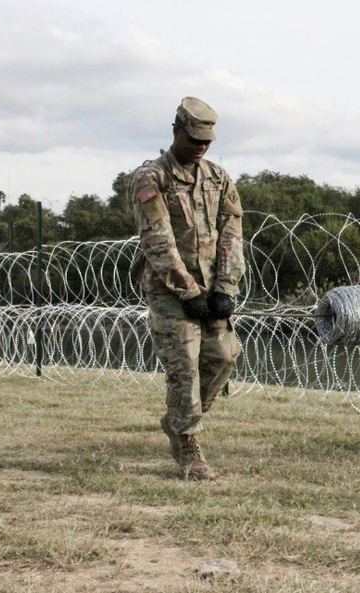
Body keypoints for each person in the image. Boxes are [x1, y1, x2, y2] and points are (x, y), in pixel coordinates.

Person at [126, 96, 245, 480]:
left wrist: (225, 287)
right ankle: (188, 443)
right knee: (185, 368)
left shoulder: (217, 178)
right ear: (176, 129)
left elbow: (232, 232)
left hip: (211, 290)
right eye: (194, 138)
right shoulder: (152, 177)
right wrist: (187, 290)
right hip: (170, 291)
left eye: (207, 140)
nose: (201, 146)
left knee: (224, 357)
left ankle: (180, 419)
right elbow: (157, 240)